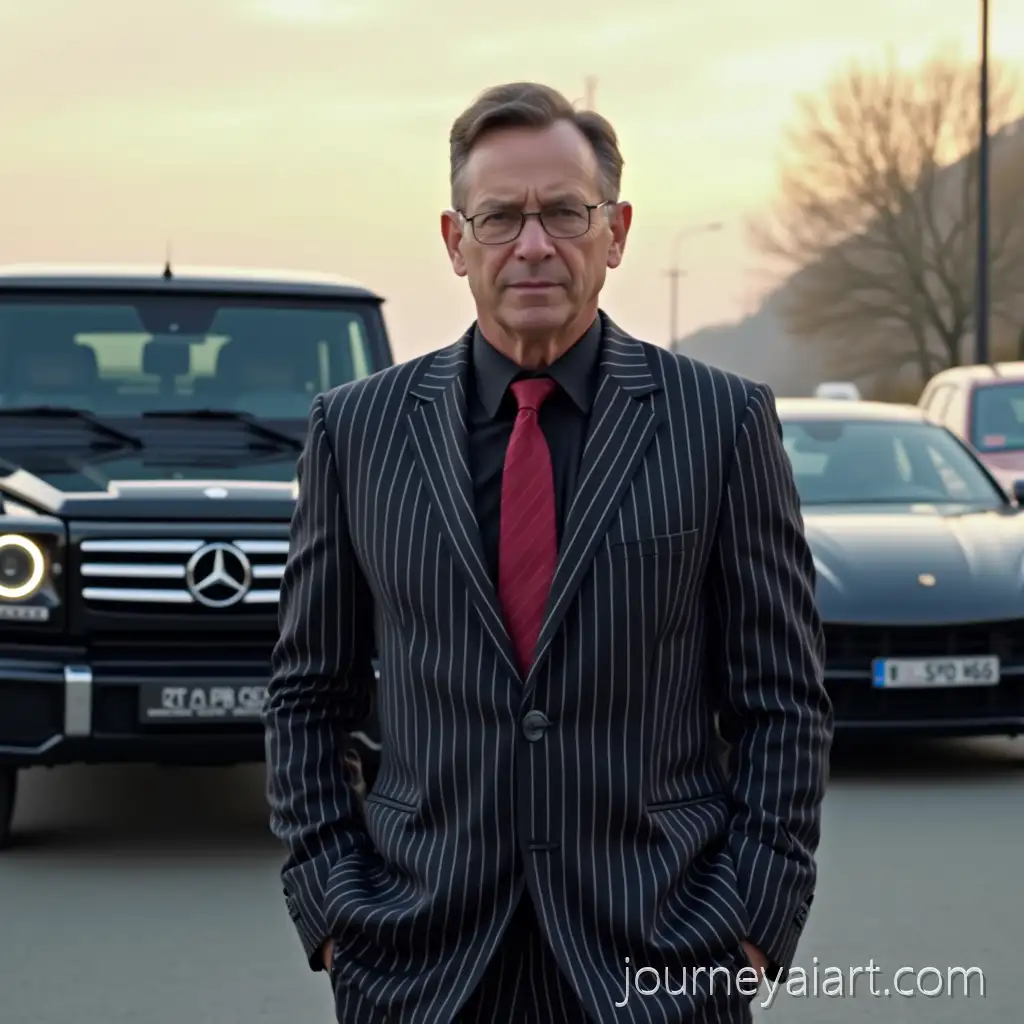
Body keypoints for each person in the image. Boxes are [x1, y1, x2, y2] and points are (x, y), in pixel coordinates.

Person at [263, 81, 833, 1024]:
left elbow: (782, 699)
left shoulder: (720, 423)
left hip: (662, 959)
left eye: (566, 212)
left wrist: (755, 921)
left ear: (615, 232)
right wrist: (331, 907)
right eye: (500, 217)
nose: (534, 244)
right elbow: (306, 694)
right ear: (456, 241)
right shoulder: (355, 431)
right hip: (418, 962)